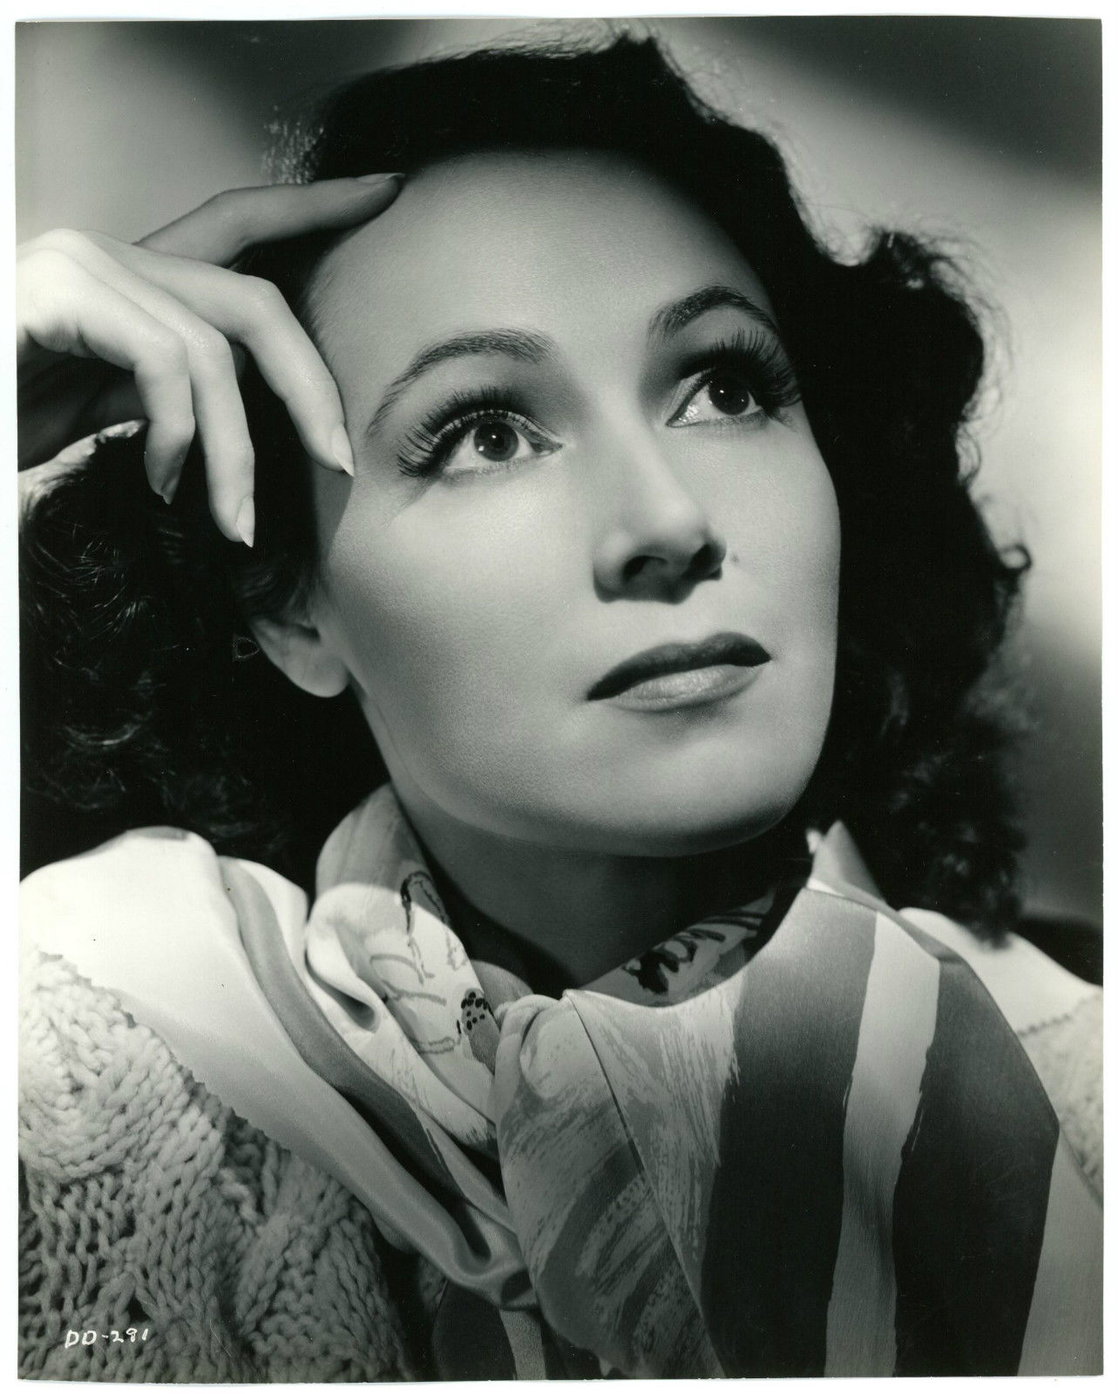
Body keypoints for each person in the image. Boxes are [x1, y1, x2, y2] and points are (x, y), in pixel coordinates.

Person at [18, 36, 1101, 1381]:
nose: (667, 523)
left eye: (724, 387)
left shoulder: (1077, 1083)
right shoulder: (84, 1069)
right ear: (293, 610)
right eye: (485, 431)